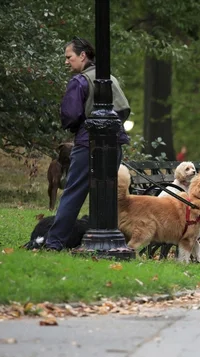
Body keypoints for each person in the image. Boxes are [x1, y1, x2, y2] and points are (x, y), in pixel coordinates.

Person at [44, 37, 131, 251]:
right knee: (107, 194)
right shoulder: (109, 78)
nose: (67, 62)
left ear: (82, 56)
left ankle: (53, 243)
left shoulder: (80, 81)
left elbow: (70, 115)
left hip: (88, 144)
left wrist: (79, 127)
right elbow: (124, 109)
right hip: (114, 143)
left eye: (69, 57)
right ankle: (104, 239)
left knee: (74, 192)